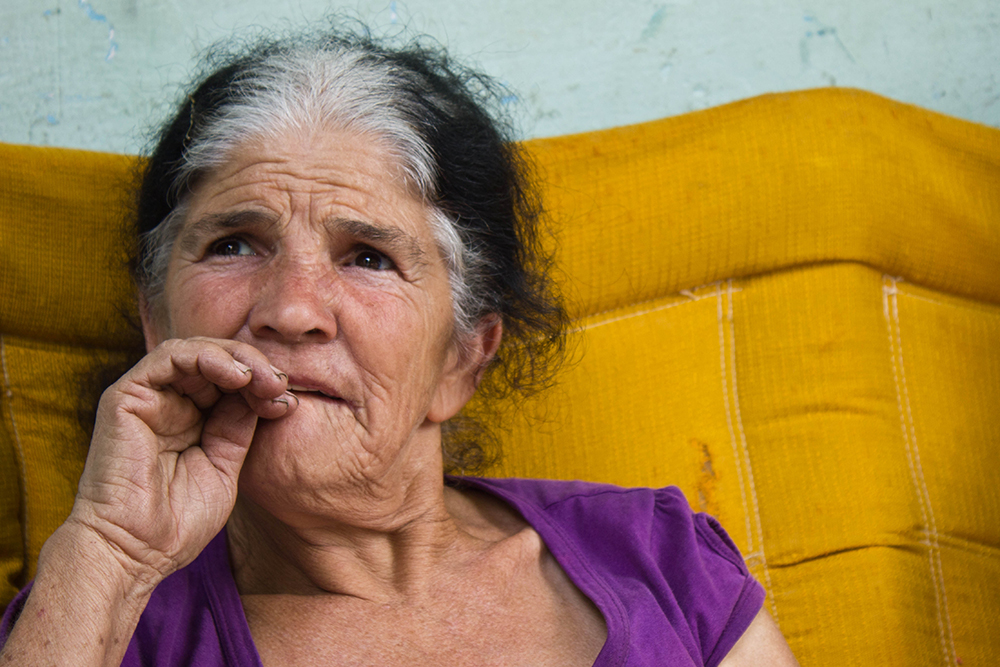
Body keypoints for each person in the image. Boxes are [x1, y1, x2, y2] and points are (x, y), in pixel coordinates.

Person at [0, 25, 797, 666]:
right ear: (158, 324)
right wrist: (109, 551)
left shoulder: (659, 561)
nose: (291, 310)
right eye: (233, 244)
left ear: (463, 356)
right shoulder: (96, 617)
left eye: (369, 257)